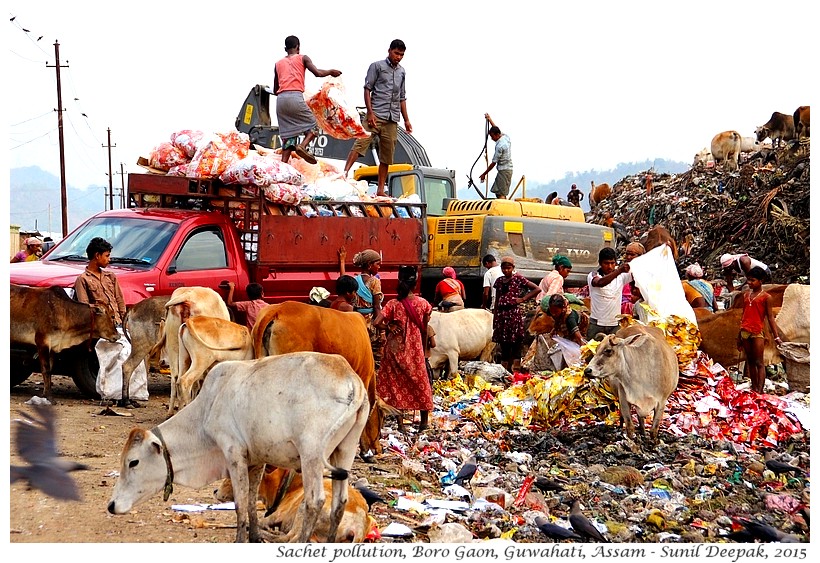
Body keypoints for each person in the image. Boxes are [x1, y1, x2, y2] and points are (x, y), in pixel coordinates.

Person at [73, 237, 148, 404]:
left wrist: (124, 322)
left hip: (119, 326)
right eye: (107, 256)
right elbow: (85, 308)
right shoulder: (83, 280)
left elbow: (120, 301)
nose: (109, 259)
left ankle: (132, 394)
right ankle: (117, 396)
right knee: (121, 356)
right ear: (97, 255)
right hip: (102, 329)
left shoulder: (111, 277)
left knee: (135, 355)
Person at [343, 39, 412, 197]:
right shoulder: (377, 66)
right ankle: (344, 174)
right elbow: (367, 89)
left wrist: (406, 120)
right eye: (396, 53)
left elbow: (402, 97)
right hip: (375, 114)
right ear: (389, 51)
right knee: (360, 143)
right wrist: (370, 112)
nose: (398, 57)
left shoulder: (402, 72)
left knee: (387, 155)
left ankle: (381, 189)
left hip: (392, 118)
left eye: (401, 55)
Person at [373, 265, 433, 432]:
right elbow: (425, 327)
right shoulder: (424, 304)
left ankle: (400, 424)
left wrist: (389, 328)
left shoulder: (392, 304)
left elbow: (376, 322)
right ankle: (423, 423)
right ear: (415, 284)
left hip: (395, 350)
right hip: (415, 351)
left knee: (396, 384)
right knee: (420, 383)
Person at [274, 35, 341, 164]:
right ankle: (303, 146)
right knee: (314, 126)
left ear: (285, 49)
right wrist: (331, 71)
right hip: (295, 97)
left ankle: (282, 165)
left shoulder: (278, 64)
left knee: (288, 135)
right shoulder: (303, 58)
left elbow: (276, 87)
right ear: (298, 47)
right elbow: (317, 73)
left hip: (281, 101)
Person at [737, 266, 783, 394]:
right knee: (750, 361)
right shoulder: (746, 296)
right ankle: (754, 388)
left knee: (759, 362)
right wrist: (739, 336)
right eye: (748, 280)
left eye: (752, 280)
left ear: (761, 281)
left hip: (757, 332)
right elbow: (744, 315)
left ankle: (759, 390)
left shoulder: (766, 297)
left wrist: (776, 336)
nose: (749, 283)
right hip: (745, 331)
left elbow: (770, 318)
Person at [492, 256, 541, 371]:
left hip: (513, 315)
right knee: (504, 344)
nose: (506, 271)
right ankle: (504, 370)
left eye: (508, 268)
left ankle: (516, 369)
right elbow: (497, 299)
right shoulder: (499, 281)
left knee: (515, 343)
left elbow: (536, 289)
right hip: (502, 315)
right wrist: (495, 317)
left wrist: (523, 299)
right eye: (504, 269)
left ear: (513, 268)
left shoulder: (518, 278)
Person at [587, 247, 632, 340]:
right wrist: (619, 270)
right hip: (597, 325)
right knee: (592, 352)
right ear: (600, 263)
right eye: (606, 263)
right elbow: (600, 283)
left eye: (612, 263)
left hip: (614, 325)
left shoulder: (621, 277)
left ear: (615, 263)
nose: (610, 266)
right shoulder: (593, 275)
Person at [479, 114, 513, 199]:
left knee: (500, 193)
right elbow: (496, 128)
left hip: (504, 170)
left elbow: (494, 163)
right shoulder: (505, 137)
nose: (491, 138)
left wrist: (484, 174)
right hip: (506, 170)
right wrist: (489, 119)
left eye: (492, 136)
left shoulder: (500, 146)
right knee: (499, 191)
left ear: (497, 135)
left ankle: (503, 209)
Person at [620, 242, 645, 315]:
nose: (628, 257)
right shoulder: (622, 270)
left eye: (632, 254)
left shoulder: (646, 273)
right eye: (627, 254)